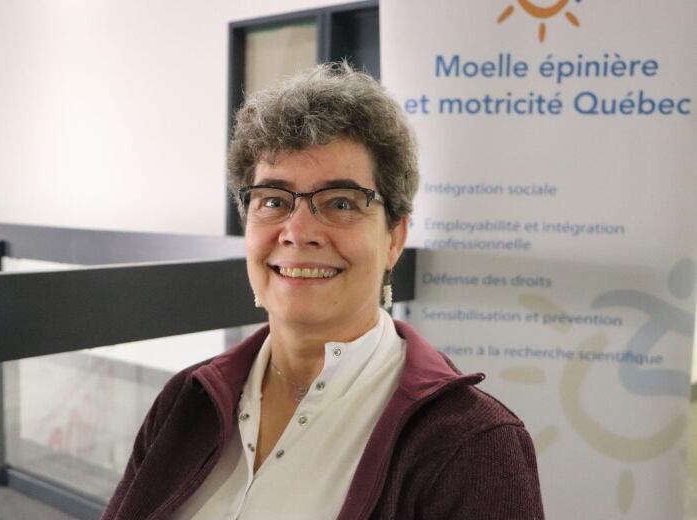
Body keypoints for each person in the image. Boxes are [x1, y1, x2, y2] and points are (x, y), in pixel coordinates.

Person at [102, 62, 544, 520]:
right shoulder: (185, 400)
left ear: (394, 237)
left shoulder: (472, 444)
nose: (297, 232)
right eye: (273, 200)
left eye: (340, 203)